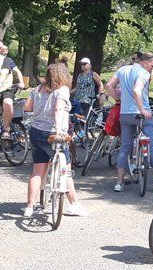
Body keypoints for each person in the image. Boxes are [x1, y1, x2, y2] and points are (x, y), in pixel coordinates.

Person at [22, 63, 87, 218]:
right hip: (52, 134)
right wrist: (59, 130)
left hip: (36, 132)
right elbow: (58, 109)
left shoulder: (37, 89)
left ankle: (30, 207)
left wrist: (40, 105)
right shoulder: (62, 90)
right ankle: (74, 204)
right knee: (66, 170)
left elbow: (27, 107)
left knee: (37, 171)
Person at [105, 52, 153, 192]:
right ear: (145, 62)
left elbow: (109, 85)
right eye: (152, 66)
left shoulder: (123, 70)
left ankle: (119, 183)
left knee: (125, 147)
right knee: (150, 144)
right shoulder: (144, 73)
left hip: (125, 114)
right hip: (141, 114)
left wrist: (118, 100)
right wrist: (142, 109)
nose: (152, 69)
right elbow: (137, 90)